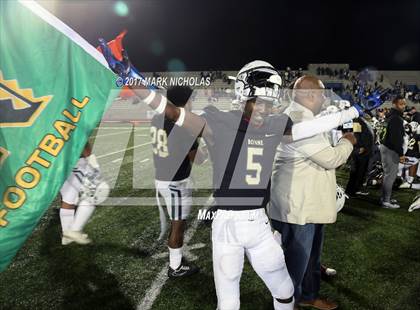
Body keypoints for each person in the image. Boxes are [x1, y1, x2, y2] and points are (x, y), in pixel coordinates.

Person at [99, 37, 379, 309]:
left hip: (259, 224)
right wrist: (131, 77)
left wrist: (353, 111)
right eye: (258, 101)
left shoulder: (275, 124)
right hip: (228, 226)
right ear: (243, 97)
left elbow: (308, 129)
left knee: (284, 291)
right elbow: (172, 112)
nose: (264, 109)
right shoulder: (218, 121)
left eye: (268, 103)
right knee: (229, 301)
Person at [270, 75, 357, 310]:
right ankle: (291, 301)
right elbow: (331, 158)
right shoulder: (297, 118)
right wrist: (348, 141)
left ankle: (307, 295)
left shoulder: (303, 116)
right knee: (297, 260)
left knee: (308, 257)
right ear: (310, 95)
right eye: (321, 93)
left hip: (305, 201)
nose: (324, 98)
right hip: (299, 204)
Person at [151, 86, 207, 277]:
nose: (193, 102)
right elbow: (198, 158)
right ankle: (175, 267)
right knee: (178, 225)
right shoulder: (182, 125)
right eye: (191, 99)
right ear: (186, 100)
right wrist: (205, 151)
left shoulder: (157, 118)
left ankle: (176, 260)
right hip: (174, 182)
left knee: (178, 222)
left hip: (163, 177)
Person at [59, 143, 108, 245]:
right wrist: (92, 161)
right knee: (96, 191)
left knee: (69, 196)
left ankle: (67, 234)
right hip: (73, 161)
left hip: (53, 164)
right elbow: (80, 138)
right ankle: (74, 230)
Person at [380, 96, 407, 208]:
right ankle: (386, 201)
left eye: (404, 104)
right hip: (390, 148)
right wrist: (400, 154)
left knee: (388, 175)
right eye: (401, 104)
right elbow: (396, 139)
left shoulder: (391, 116)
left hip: (386, 146)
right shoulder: (396, 118)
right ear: (395, 104)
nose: (404, 106)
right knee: (390, 176)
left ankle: (385, 197)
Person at [345, 116, 374, 197]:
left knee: (360, 172)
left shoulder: (363, 121)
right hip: (361, 151)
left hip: (365, 151)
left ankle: (354, 189)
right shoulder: (358, 120)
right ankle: (353, 190)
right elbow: (356, 134)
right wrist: (360, 147)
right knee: (357, 172)